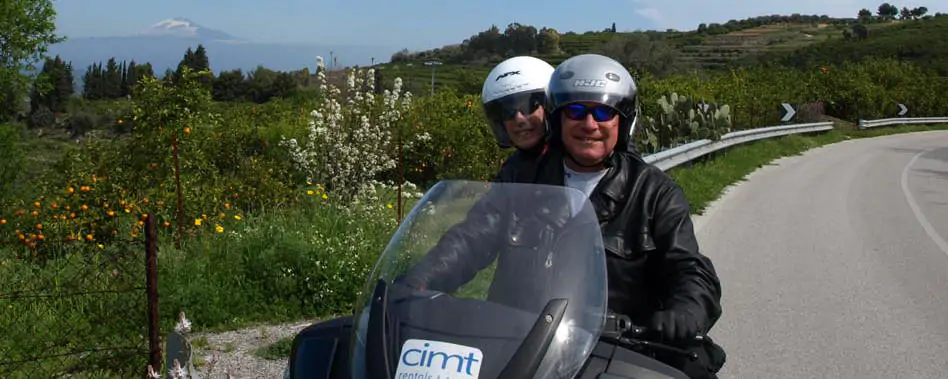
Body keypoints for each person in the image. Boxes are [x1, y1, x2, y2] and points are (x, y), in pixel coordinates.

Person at [528, 53, 725, 378]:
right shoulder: (528, 180)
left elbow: (688, 267)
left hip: (618, 352)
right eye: (576, 110)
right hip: (530, 342)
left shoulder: (654, 193)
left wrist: (686, 311)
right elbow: (472, 236)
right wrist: (421, 280)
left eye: (604, 112)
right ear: (556, 119)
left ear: (623, 122)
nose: (589, 124)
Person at [480, 56, 555, 183]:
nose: (518, 119)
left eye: (528, 106)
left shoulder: (574, 163)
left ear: (550, 107)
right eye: (506, 112)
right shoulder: (512, 169)